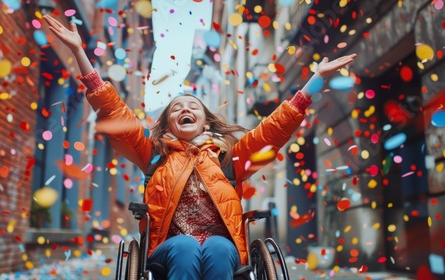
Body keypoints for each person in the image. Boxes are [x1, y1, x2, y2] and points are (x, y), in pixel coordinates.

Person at [44, 14, 356, 279]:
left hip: (223, 244)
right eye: (176, 107)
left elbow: (272, 132)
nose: (184, 109)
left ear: (204, 122)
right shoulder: (154, 153)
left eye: (191, 105)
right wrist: (79, 52)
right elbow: (115, 112)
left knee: (220, 247)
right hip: (170, 245)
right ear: (168, 125)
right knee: (185, 246)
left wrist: (314, 81)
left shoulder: (229, 157)